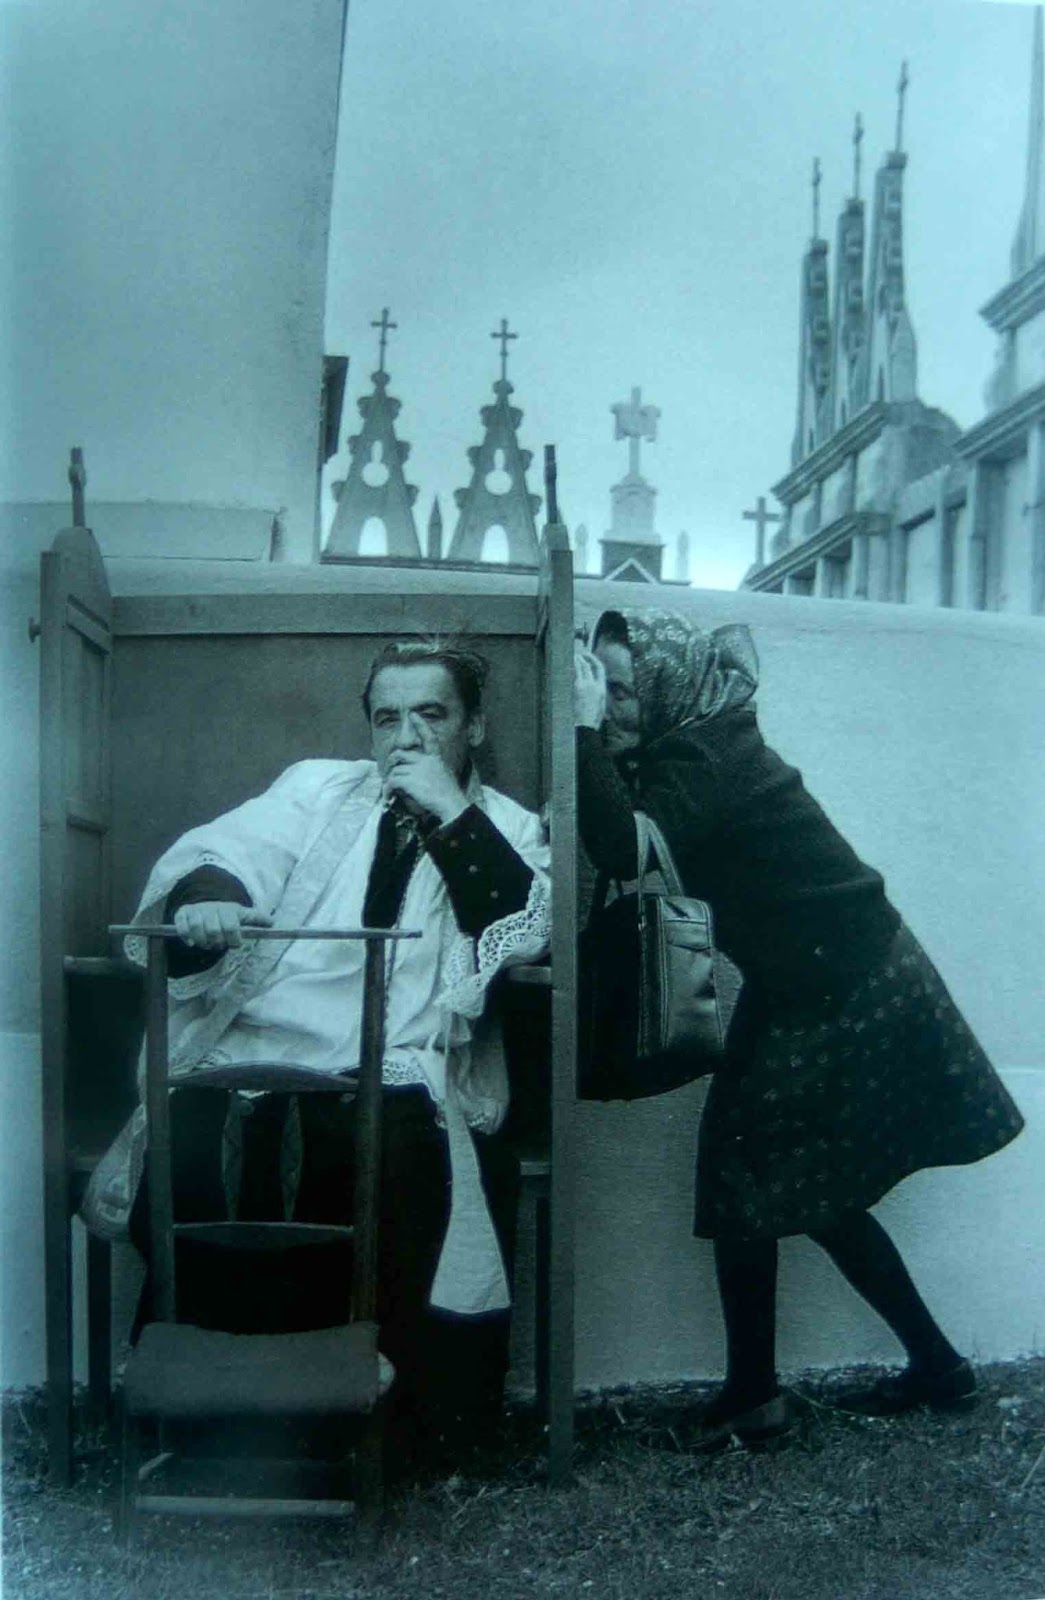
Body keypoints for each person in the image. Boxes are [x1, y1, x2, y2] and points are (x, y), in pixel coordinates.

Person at [84, 637, 550, 1465]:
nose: (406, 736)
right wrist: (210, 902)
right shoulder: (317, 787)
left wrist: (449, 812)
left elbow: (520, 934)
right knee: (193, 1144)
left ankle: (363, 1425)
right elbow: (231, 851)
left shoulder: (508, 827)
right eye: (387, 718)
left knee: (385, 1154)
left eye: (431, 715)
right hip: (261, 1040)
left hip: (398, 1061)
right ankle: (208, 1417)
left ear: (474, 726)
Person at [573, 607, 1023, 1451]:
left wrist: (579, 727)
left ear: (667, 686)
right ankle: (919, 1371)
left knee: (770, 1177)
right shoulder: (697, 741)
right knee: (787, 1181)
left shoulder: (709, 754)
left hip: (847, 981)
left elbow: (622, 850)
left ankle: (775, 1395)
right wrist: (598, 733)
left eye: (623, 690)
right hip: (815, 977)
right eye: (603, 688)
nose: (611, 705)